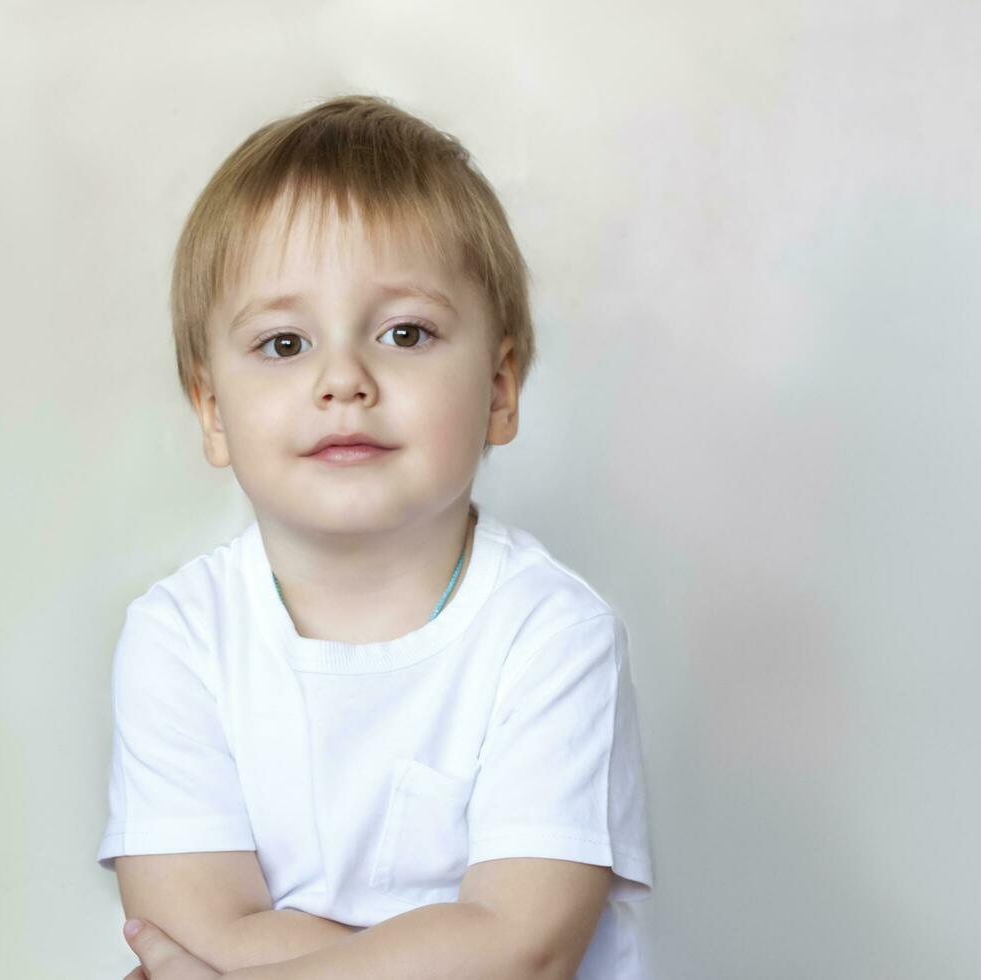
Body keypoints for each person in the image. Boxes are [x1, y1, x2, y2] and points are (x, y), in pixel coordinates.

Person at [96, 94, 655, 980]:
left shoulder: (551, 635)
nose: (343, 379)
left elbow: (522, 951)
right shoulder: (181, 638)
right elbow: (188, 925)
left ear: (500, 389)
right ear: (211, 411)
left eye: (405, 332)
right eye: (284, 343)